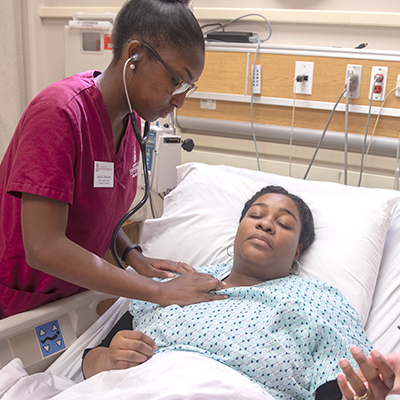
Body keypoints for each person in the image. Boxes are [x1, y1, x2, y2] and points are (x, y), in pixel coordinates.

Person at [0, 0, 228, 319]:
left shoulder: (132, 122)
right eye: (176, 80)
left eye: (189, 86)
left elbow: (95, 211)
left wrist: (133, 254)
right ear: (135, 54)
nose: (180, 100)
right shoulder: (59, 115)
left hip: (67, 300)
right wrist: (159, 291)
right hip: (16, 303)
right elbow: (44, 248)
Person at [82, 185, 373, 400]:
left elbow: (344, 385)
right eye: (255, 215)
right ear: (238, 230)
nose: (265, 223)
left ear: (297, 251)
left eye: (283, 224)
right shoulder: (177, 281)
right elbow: (92, 359)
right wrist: (108, 360)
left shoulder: (319, 299)